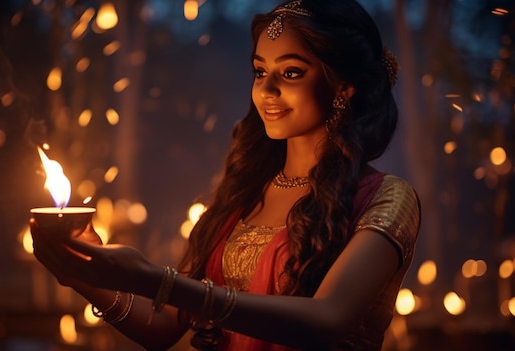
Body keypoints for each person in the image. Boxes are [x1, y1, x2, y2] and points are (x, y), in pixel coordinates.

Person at [31, 0, 421, 350]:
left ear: (343, 88)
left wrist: (155, 281)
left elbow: (328, 321)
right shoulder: (244, 191)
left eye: (290, 73)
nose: (266, 89)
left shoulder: (385, 197)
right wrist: (83, 277)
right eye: (259, 71)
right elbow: (166, 326)